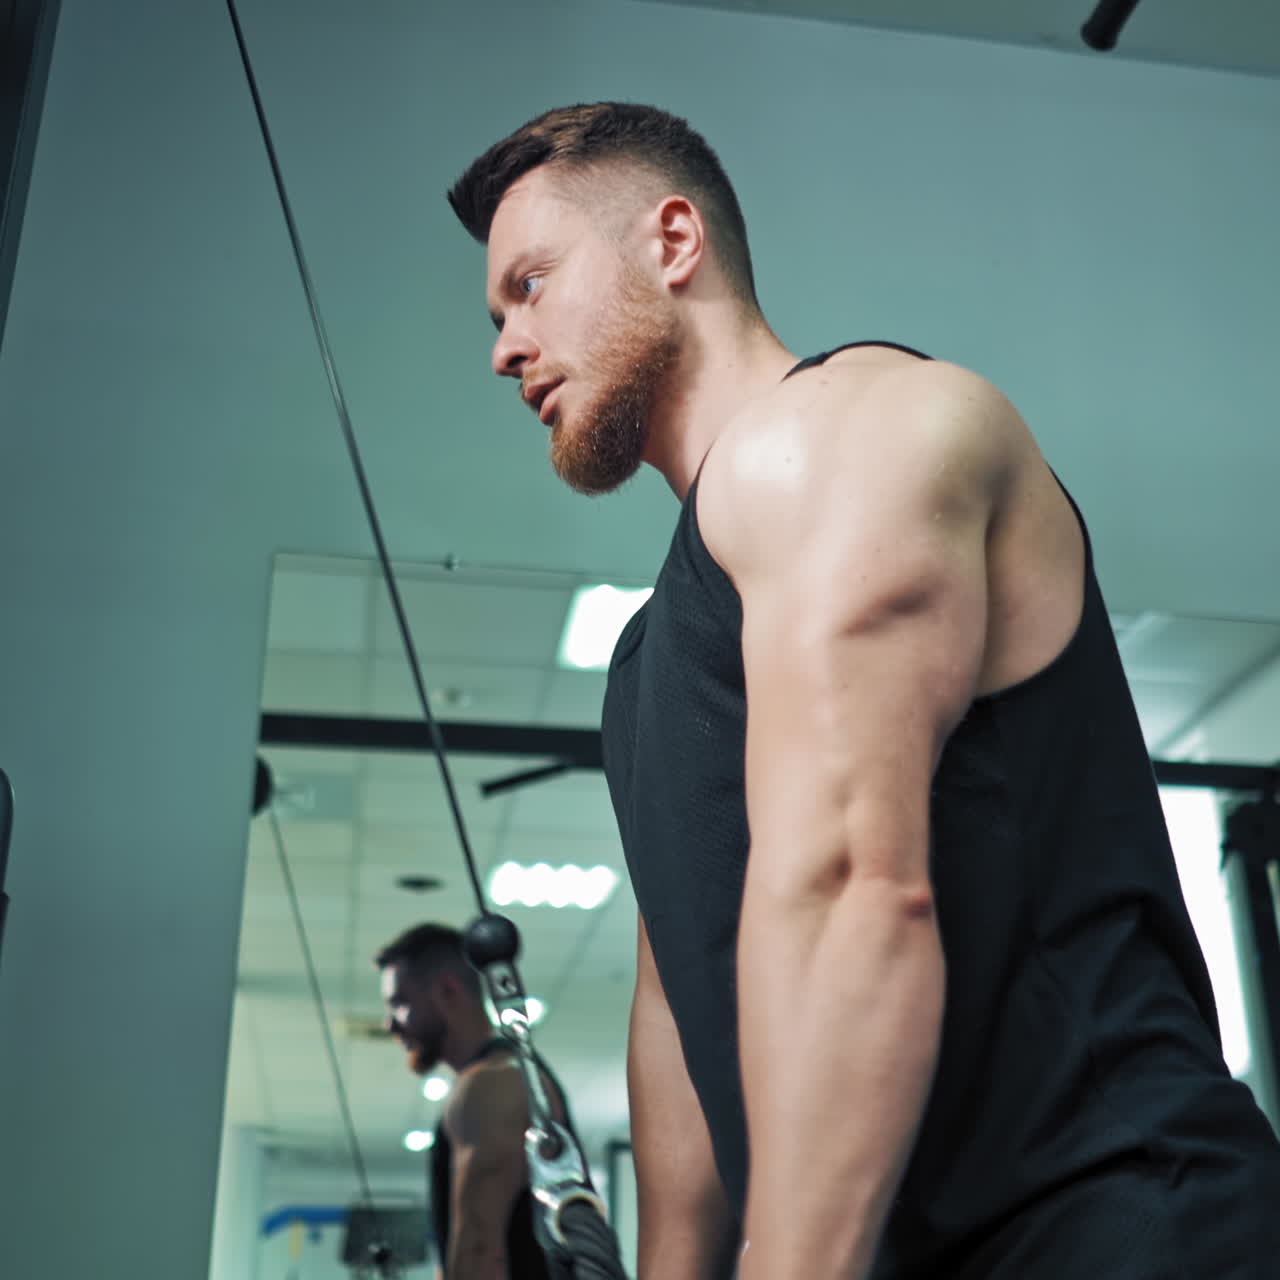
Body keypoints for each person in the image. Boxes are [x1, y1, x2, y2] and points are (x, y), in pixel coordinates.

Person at [444, 102, 1280, 1279]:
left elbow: (852, 889)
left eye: (529, 286)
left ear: (672, 241)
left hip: (1122, 1220)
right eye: (497, 316)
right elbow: (680, 1014)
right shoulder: (642, 669)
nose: (504, 348)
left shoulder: (850, 428)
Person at [375, 922, 571, 1280]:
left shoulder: (492, 1085)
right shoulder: (495, 1079)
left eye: (400, 1004)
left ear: (447, 991)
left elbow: (481, 1249)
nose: (390, 1025)